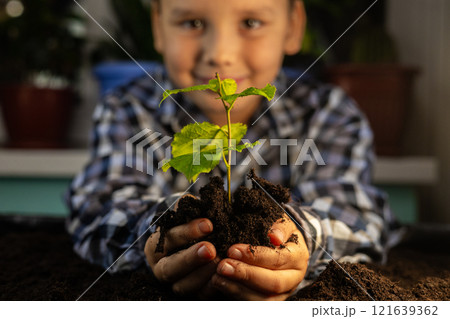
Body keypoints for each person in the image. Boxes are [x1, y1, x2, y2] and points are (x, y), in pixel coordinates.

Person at [65, 0, 398, 300]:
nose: (220, 54)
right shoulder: (128, 110)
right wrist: (158, 233)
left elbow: (356, 215)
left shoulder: (327, 114)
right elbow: (101, 205)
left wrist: (303, 239)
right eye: (192, 23)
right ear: (158, 27)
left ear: (294, 25)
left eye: (251, 23)